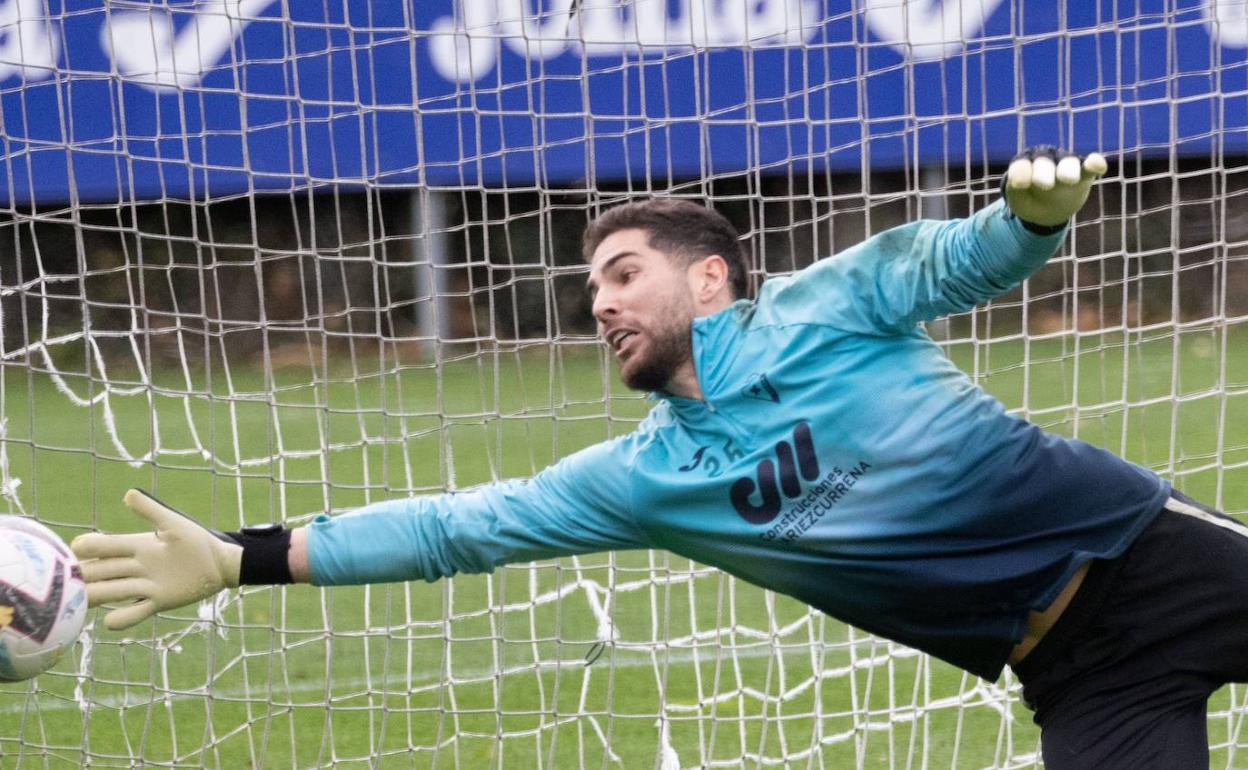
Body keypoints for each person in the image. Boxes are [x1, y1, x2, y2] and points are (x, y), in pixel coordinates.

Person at [70, 147, 1248, 769]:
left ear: (713, 275)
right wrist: (238, 558)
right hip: (1081, 679)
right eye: (592, 286)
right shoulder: (645, 479)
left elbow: (948, 262)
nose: (601, 302)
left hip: (1151, 554)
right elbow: (452, 527)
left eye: (622, 272)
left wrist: (1029, 222)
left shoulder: (827, 310)